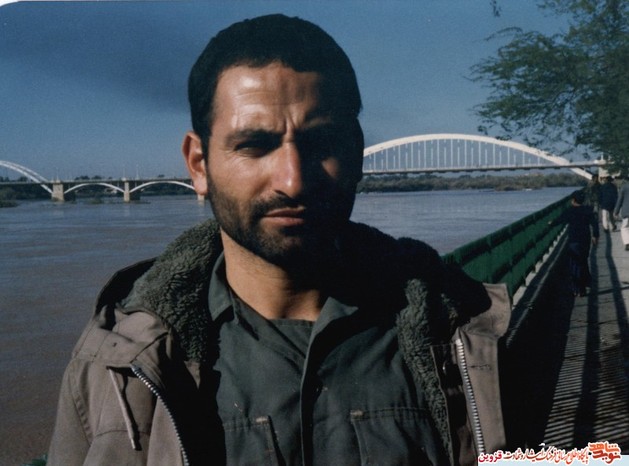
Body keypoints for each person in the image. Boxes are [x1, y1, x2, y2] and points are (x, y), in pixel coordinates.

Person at [47, 14, 510, 466]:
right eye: (254, 145)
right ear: (199, 166)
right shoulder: (112, 364)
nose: (292, 181)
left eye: (321, 142)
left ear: (356, 153)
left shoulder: (470, 336)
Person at [552, 190, 599, 297]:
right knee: (583, 260)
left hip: (574, 240)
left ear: (573, 200)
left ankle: (578, 289)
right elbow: (595, 224)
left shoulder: (570, 211)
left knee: (575, 263)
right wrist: (595, 236)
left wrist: (551, 223)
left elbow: (559, 220)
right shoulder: (588, 210)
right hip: (585, 239)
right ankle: (585, 283)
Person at [614, 176, 629, 250]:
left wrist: (616, 212)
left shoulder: (624, 187)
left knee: (624, 227)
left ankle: (627, 243)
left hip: (627, 211)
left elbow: (619, 201)